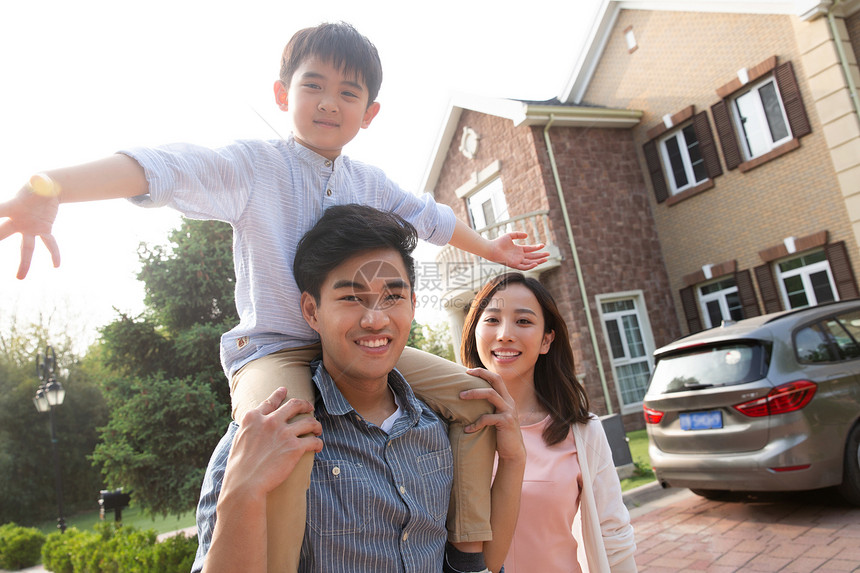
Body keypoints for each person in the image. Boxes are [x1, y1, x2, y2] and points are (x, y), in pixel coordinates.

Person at [0, 22, 548, 572]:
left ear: (369, 113)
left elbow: (434, 219)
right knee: (290, 431)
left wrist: (493, 249)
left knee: (479, 396)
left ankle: (468, 555)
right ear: (283, 94)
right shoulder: (255, 167)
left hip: (358, 340)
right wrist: (50, 186)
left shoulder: (371, 183)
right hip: (275, 351)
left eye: (348, 92)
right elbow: (164, 166)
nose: (329, 102)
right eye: (313, 85)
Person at [193, 204, 526, 573]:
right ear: (311, 311)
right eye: (351, 297)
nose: (375, 319)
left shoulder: (441, 428)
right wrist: (242, 491)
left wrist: (513, 458)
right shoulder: (265, 440)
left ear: (414, 305)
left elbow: (483, 566)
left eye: (393, 297)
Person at [460, 272, 637, 572]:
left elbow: (613, 535)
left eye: (524, 321)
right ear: (474, 331)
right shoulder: (445, 425)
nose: (504, 333)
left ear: (546, 340)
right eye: (491, 320)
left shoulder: (583, 430)